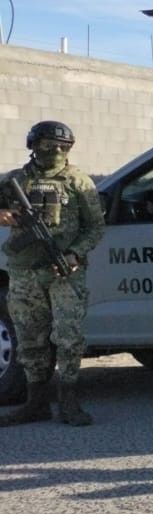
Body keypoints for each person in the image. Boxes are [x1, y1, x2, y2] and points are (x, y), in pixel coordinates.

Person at [0, 121, 105, 427]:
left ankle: (68, 400)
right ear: (34, 146)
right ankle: (36, 403)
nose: (56, 151)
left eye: (63, 146)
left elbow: (95, 228)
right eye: (48, 145)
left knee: (68, 337)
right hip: (25, 273)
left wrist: (74, 254)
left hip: (64, 272)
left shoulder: (77, 181)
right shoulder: (14, 181)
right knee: (29, 337)